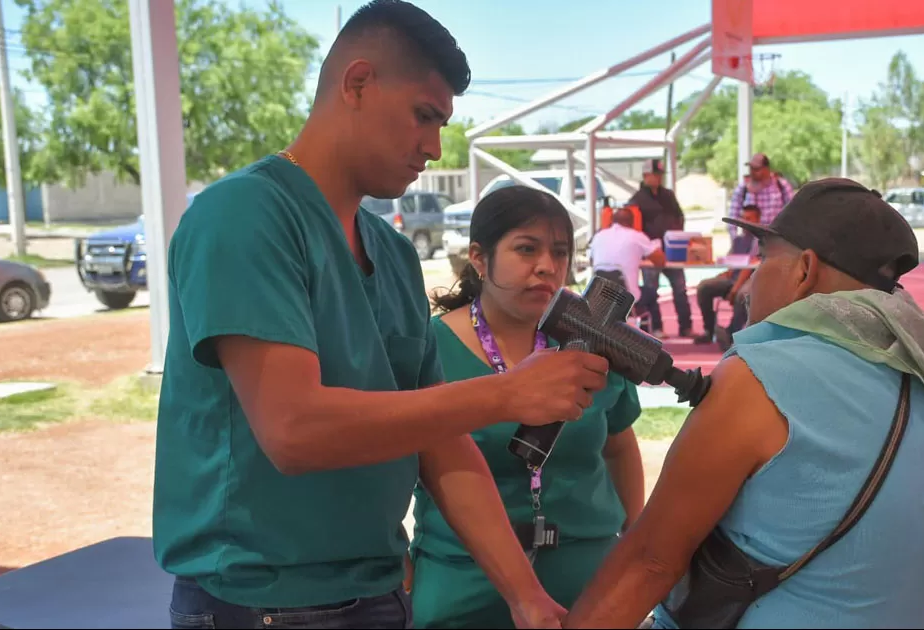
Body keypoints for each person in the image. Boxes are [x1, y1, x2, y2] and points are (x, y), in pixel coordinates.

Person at [153, 2, 609, 628]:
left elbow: (439, 441)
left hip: (380, 592)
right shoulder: (246, 216)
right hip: (259, 603)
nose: (434, 145)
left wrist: (523, 594)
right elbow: (294, 430)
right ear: (358, 83)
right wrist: (506, 395)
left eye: (443, 123)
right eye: (424, 116)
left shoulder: (391, 251)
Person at [564, 178, 924, 629]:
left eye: (762, 260)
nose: (751, 283)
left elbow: (651, 560)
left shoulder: (756, 382)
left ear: (804, 270)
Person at [406, 185, 647, 628]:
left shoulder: (590, 344)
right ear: (478, 258)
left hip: (588, 585)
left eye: (559, 252)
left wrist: (631, 544)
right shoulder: (428, 347)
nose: (547, 267)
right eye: (525, 249)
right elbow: (389, 464)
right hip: (462, 583)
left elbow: (619, 446)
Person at [628, 158, 692, 339]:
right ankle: (657, 328)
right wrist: (645, 247)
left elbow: (680, 216)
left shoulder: (668, 195)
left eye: (660, 175)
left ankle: (685, 327)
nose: (658, 178)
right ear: (646, 175)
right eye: (654, 175)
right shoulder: (636, 199)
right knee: (651, 290)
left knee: (680, 288)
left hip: (673, 251)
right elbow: (634, 226)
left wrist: (678, 235)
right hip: (651, 254)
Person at [692, 204, 761, 348]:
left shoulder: (759, 241)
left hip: (750, 280)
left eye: (749, 218)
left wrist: (735, 288)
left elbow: (747, 268)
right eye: (743, 218)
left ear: (758, 220)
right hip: (734, 278)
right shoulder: (738, 240)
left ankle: (731, 334)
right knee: (704, 286)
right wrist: (724, 273)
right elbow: (732, 261)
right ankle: (709, 330)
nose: (744, 221)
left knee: (742, 295)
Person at [589, 206, 667, 326]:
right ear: (633, 221)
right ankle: (655, 331)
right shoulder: (637, 236)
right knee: (651, 293)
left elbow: (591, 260)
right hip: (627, 297)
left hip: (600, 296)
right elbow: (660, 261)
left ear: (611, 220)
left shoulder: (598, 236)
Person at [726, 152, 793, 239]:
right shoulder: (743, 188)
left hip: (775, 240)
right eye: (751, 168)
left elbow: (792, 214)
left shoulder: (781, 185)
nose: (752, 172)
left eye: (756, 169)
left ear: (766, 169)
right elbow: (733, 216)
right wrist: (736, 240)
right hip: (750, 240)